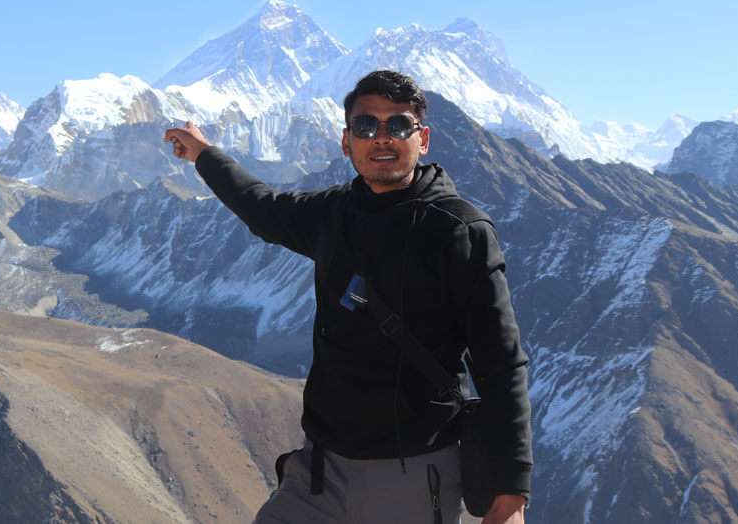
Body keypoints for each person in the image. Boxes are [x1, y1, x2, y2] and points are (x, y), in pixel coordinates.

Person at [164, 70, 531, 524]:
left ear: (424, 138)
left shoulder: (459, 231)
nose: (382, 138)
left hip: (412, 476)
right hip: (317, 471)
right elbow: (262, 208)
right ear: (346, 140)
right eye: (366, 126)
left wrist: (512, 492)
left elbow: (500, 361)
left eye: (398, 126)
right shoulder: (334, 213)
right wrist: (203, 154)